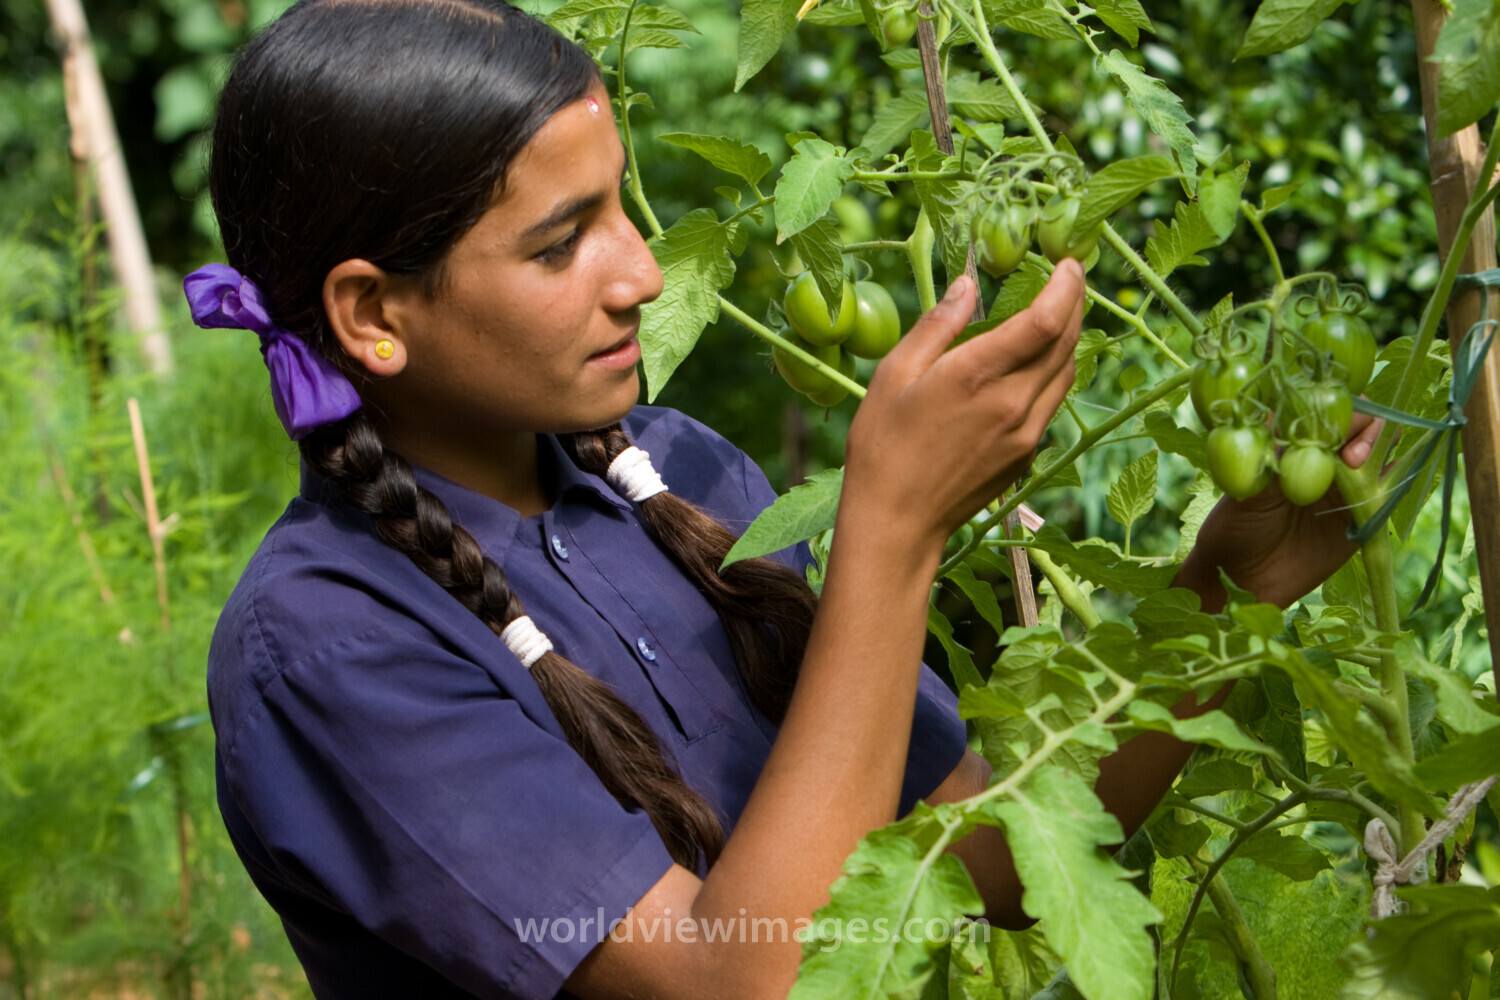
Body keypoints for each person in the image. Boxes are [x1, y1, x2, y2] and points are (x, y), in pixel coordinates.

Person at [194, 1, 1382, 997]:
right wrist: (891, 529)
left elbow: (983, 855)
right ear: (372, 316)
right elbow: (740, 982)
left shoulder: (685, 472)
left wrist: (1227, 589)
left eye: (623, 207)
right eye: (563, 244)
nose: (644, 274)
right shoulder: (330, 647)